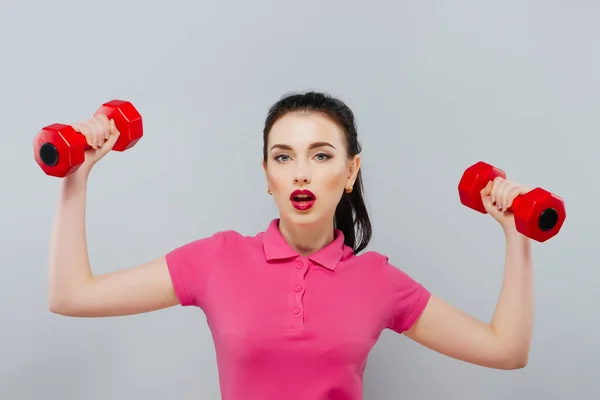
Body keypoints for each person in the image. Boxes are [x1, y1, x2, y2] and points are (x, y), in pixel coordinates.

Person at [48, 91, 534, 399]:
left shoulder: (378, 281)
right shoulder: (217, 259)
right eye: (283, 157)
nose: (300, 171)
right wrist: (75, 178)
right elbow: (71, 296)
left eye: (321, 155)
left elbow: (506, 350)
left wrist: (518, 236)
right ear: (267, 175)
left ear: (350, 173)